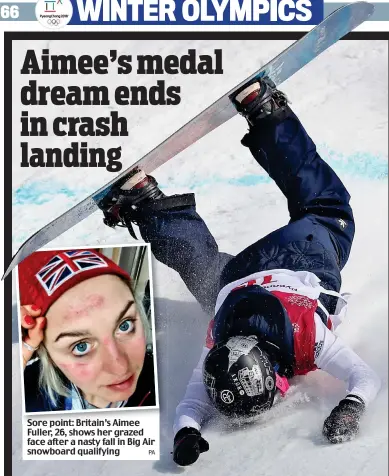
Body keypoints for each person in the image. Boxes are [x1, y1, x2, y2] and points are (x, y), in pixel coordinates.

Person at [99, 77, 381, 464]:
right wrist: (186, 433)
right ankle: (144, 201)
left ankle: (266, 114)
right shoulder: (223, 342)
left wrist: (351, 406)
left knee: (325, 209)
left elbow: (364, 380)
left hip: (297, 256)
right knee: (208, 273)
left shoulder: (305, 337)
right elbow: (193, 403)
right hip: (240, 279)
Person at [19, 248, 156, 412]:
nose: (120, 367)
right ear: (46, 351)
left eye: (125, 325)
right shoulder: (23, 396)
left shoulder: (168, 379)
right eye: (81, 346)